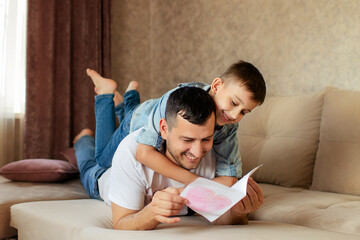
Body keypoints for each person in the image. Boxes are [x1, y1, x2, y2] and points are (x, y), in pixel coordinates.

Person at [73, 87, 263, 230]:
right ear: (163, 129)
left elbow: (223, 215)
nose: (197, 152)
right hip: (103, 180)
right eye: (187, 140)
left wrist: (239, 212)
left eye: (206, 139)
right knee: (89, 165)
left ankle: (122, 104)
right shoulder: (131, 151)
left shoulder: (220, 154)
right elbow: (122, 222)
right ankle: (82, 140)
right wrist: (151, 213)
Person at [87, 60, 266, 188]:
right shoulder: (180, 100)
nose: (235, 115)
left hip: (151, 109)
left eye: (244, 112)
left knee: (133, 108)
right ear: (217, 85)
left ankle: (127, 98)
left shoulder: (228, 126)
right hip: (138, 120)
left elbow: (229, 177)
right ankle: (105, 94)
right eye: (234, 103)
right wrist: (195, 183)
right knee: (102, 160)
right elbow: (144, 153)